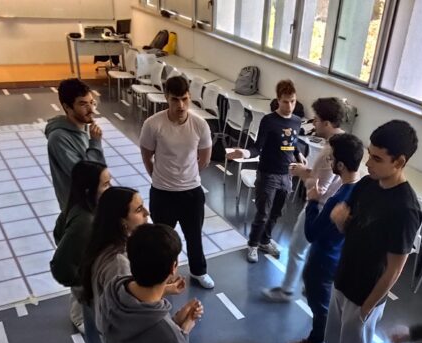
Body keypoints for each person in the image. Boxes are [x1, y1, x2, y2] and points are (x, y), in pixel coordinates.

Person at [303, 120, 422, 343]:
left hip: (366, 293)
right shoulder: (368, 185)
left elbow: (395, 267)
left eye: (377, 158)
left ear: (399, 161)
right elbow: (352, 230)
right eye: (369, 154)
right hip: (343, 278)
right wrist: (341, 221)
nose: (368, 163)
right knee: (334, 339)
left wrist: (368, 306)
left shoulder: (405, 209)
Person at [78, 186, 153, 343]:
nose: (146, 213)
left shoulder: (104, 245)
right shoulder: (119, 262)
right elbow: (127, 306)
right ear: (122, 222)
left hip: (107, 325)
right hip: (120, 332)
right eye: (139, 209)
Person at [262, 97, 348, 303]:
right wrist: (309, 171)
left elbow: (320, 188)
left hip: (318, 207)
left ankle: (287, 291)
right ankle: (309, 286)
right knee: (314, 250)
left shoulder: (330, 151)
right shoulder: (344, 141)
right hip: (331, 206)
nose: (313, 123)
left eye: (316, 119)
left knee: (297, 248)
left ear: (327, 123)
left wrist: (303, 174)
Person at [286, 133, 363, 343]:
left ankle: (317, 340)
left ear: (340, 165)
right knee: (326, 297)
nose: (329, 163)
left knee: (319, 304)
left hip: (323, 259)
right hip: (341, 257)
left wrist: (312, 200)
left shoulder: (336, 201)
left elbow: (311, 233)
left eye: (331, 159)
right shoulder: (361, 189)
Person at [140, 75, 216, 289]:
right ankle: (165, 275)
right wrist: (158, 177)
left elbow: (205, 158)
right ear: (166, 98)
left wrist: (187, 177)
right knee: (164, 240)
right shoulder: (153, 124)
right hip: (162, 193)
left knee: (194, 236)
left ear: (190, 97)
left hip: (191, 193)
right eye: (175, 99)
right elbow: (147, 155)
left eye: (184, 99)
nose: (180, 105)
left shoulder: (200, 124)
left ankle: (198, 271)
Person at [226, 80, 302, 263]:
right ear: (278, 100)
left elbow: (293, 141)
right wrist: (244, 153)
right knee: (263, 214)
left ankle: (265, 241)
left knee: (276, 213)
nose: (289, 106)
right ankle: (253, 244)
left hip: (286, 175)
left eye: (292, 101)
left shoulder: (297, 121)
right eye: (285, 102)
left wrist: (299, 154)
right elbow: (257, 147)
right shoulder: (269, 121)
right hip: (268, 174)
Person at [50, 161, 113, 343]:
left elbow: (58, 233)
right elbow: (60, 266)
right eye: (105, 184)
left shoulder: (77, 207)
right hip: (93, 288)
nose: (110, 188)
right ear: (89, 190)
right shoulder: (85, 223)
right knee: (100, 330)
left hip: (91, 287)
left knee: (95, 329)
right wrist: (82, 282)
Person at [46, 79, 105, 209]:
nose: (91, 109)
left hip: (93, 204)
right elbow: (86, 177)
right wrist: (95, 144)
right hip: (79, 209)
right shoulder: (58, 138)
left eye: (92, 102)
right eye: (83, 104)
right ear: (67, 107)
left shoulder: (85, 128)